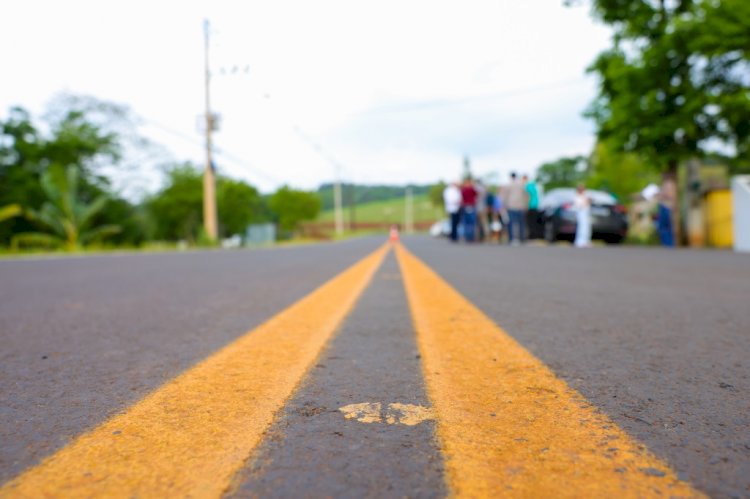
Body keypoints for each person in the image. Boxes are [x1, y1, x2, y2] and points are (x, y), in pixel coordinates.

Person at [503, 172, 528, 245]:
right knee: (521, 223)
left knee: (511, 223)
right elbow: (526, 195)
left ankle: (511, 238)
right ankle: (522, 238)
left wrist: (505, 205)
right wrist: (525, 205)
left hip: (511, 206)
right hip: (520, 206)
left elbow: (505, 196)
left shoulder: (508, 185)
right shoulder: (522, 185)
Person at [657, 173, 676, 247]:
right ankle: (668, 243)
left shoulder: (668, 184)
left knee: (664, 226)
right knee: (666, 226)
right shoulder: (670, 184)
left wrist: (660, 195)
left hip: (666, 206)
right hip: (667, 206)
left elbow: (670, 195)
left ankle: (668, 244)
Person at [574, 183, 592, 248]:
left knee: (587, 228)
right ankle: (580, 241)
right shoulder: (577, 197)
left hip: (586, 215)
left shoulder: (585, 196)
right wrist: (586, 202)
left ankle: (586, 241)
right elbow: (579, 206)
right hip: (581, 215)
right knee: (581, 228)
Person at [460, 177, 478, 242]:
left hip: (466, 206)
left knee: (466, 223)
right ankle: (471, 237)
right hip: (471, 206)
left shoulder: (463, 189)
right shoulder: (472, 189)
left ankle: (467, 237)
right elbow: (476, 194)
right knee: (471, 223)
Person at [523, 174, 541, 239]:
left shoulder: (528, 186)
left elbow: (528, 196)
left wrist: (526, 205)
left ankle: (532, 235)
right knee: (534, 222)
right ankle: (534, 235)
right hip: (535, 205)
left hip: (531, 206)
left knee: (530, 222)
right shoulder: (534, 185)